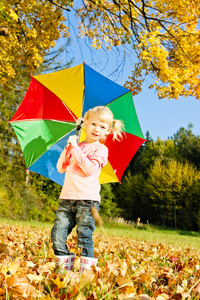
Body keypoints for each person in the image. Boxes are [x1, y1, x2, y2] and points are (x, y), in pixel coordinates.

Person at [51, 106, 124, 272]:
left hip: (87, 200)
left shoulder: (101, 149)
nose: (97, 129)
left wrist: (75, 149)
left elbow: (89, 169)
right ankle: (64, 272)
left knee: (84, 237)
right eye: (93, 124)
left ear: (108, 131)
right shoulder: (77, 145)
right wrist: (68, 148)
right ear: (85, 124)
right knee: (57, 235)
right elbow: (61, 168)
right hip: (67, 198)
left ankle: (87, 275)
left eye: (102, 127)